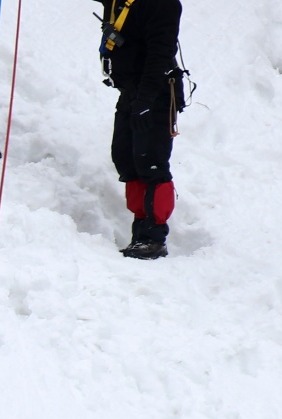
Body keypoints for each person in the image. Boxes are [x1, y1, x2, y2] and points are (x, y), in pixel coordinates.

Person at [98, 0, 183, 260]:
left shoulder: (163, 5)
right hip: (130, 91)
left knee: (151, 162)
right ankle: (141, 231)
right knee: (125, 158)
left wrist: (145, 101)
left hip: (155, 93)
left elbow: (159, 55)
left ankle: (154, 238)